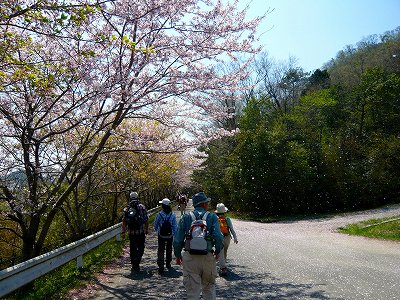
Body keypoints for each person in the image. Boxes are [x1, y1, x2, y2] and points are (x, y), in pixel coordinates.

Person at [173, 192, 224, 300]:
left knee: (192, 292)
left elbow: (177, 240)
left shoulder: (185, 217)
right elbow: (218, 237)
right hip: (207, 257)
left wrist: (178, 255)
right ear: (204, 204)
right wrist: (217, 251)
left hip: (190, 257)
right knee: (209, 289)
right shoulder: (212, 217)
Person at [121, 191, 149, 273]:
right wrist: (146, 229)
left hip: (131, 232)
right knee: (141, 247)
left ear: (130, 198)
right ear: (137, 197)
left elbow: (124, 221)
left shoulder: (127, 208)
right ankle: (137, 261)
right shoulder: (142, 207)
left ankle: (134, 264)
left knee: (133, 248)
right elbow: (146, 220)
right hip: (140, 232)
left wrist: (123, 232)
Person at [154, 197, 177, 274]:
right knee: (169, 248)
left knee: (161, 249)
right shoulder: (172, 215)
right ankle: (168, 262)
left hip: (161, 235)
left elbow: (155, 225)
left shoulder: (159, 214)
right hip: (170, 235)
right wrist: (174, 233)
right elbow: (175, 226)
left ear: (163, 206)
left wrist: (157, 230)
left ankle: (161, 264)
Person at [215, 203, 238, 276]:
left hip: (219, 237)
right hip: (227, 237)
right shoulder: (227, 219)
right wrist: (235, 238)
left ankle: (222, 267)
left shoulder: (215, 218)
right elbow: (231, 229)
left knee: (220, 251)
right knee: (225, 251)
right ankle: (223, 265)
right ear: (224, 212)